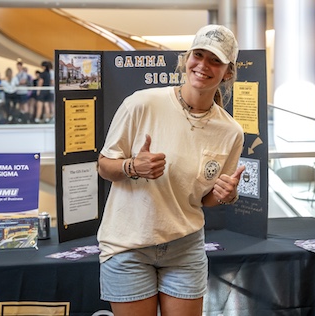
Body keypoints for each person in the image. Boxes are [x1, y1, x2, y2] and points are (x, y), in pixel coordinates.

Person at [96, 24, 245, 316]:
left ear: (228, 72)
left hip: (185, 248)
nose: (203, 66)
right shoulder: (141, 103)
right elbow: (103, 166)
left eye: (215, 60)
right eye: (198, 55)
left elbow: (208, 199)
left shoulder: (231, 131)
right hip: (128, 244)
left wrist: (227, 195)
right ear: (186, 58)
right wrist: (131, 166)